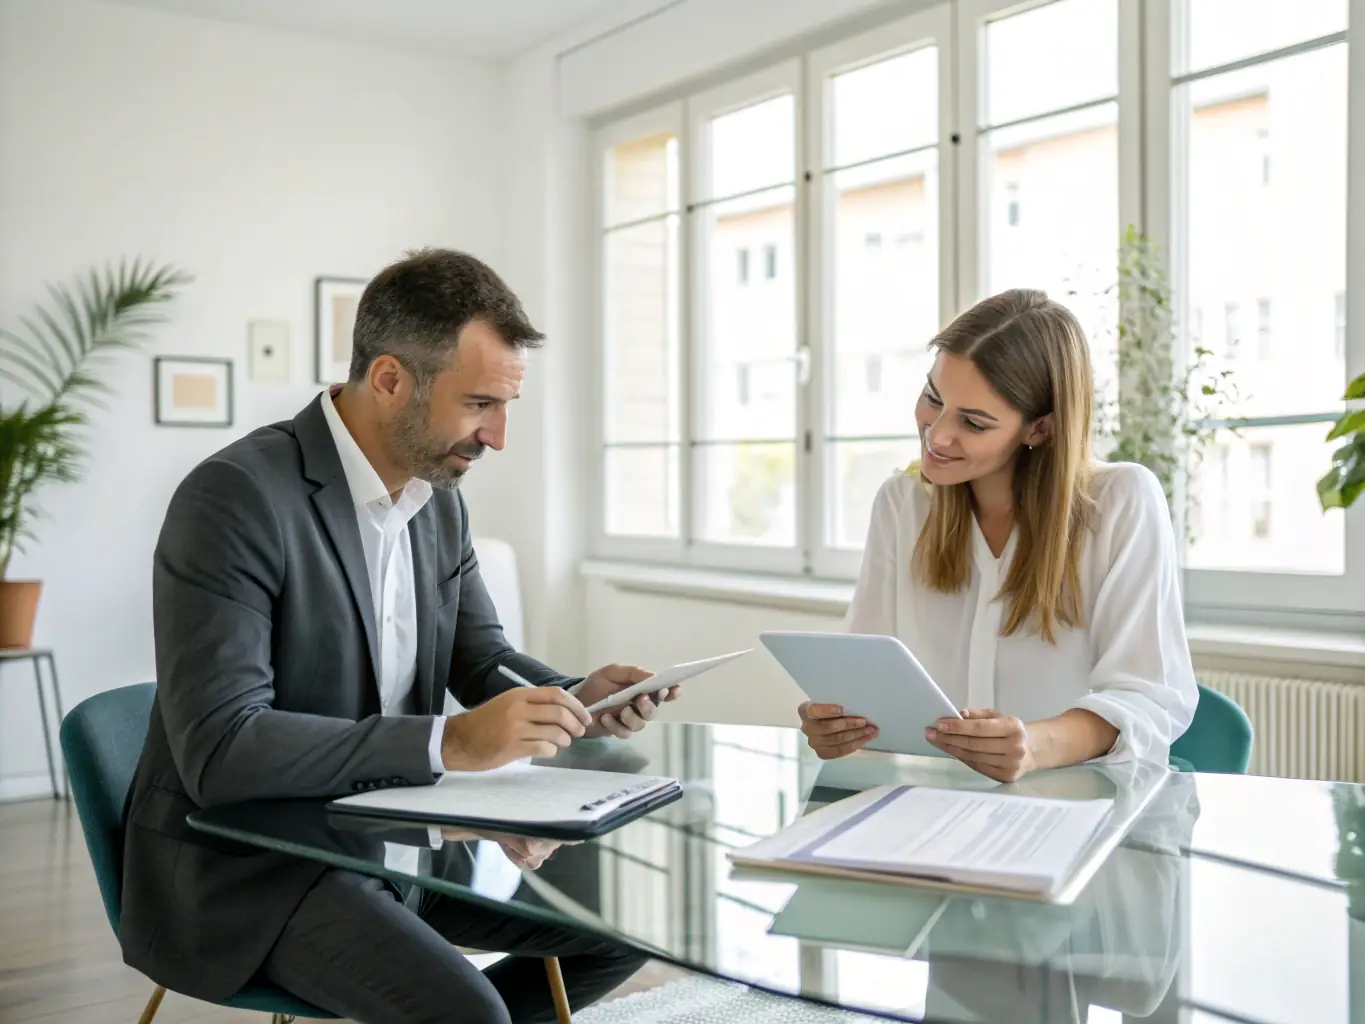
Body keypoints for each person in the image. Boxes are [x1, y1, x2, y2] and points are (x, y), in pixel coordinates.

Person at [122, 248, 676, 1024]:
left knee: (627, 930)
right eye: (480, 403)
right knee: (466, 1012)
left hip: (402, 839)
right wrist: (449, 744)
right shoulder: (236, 498)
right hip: (257, 865)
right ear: (389, 380)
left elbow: (482, 659)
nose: (499, 436)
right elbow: (223, 747)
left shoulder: (437, 500)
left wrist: (571, 697)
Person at [799, 289, 1197, 780]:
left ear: (1040, 429)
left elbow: (1149, 698)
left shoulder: (1121, 502)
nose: (937, 435)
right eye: (933, 398)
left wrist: (1033, 746)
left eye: (973, 422)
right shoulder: (903, 504)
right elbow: (863, 677)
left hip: (1072, 812)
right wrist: (840, 724)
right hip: (926, 810)